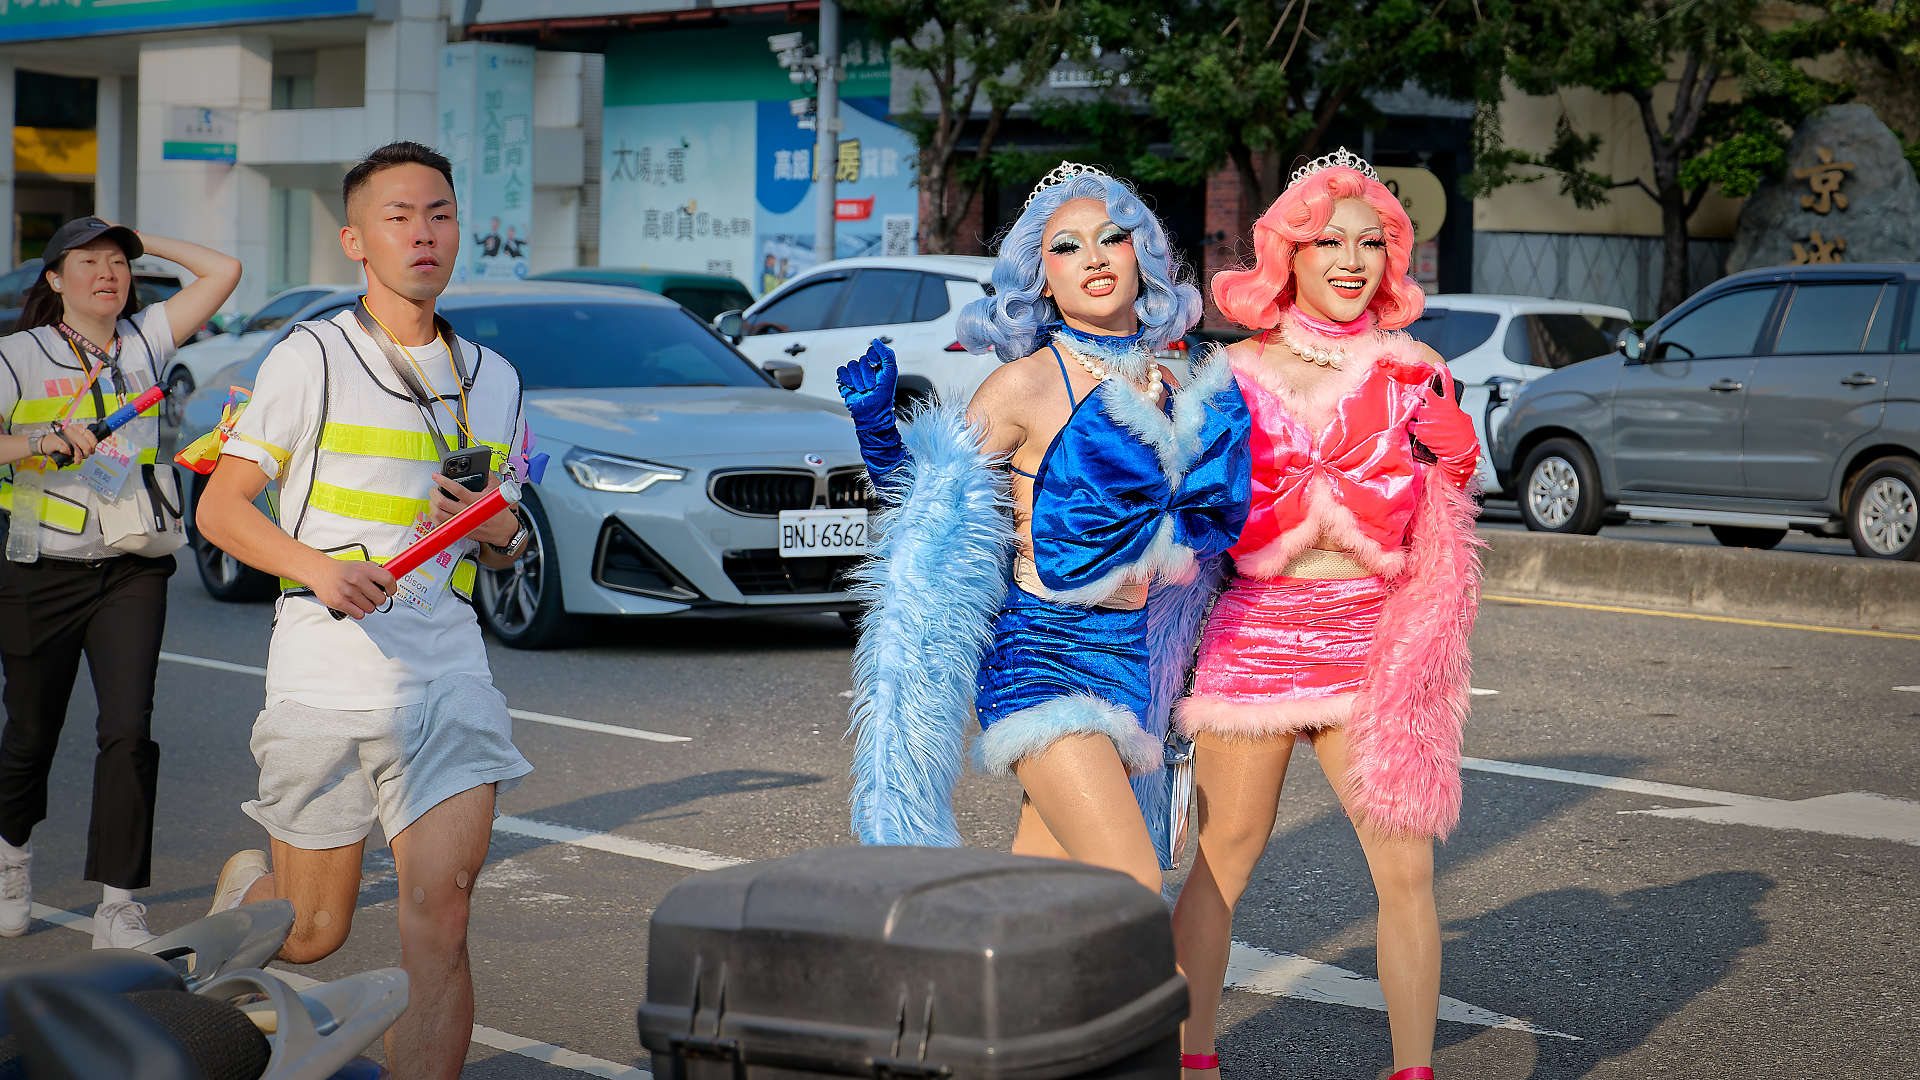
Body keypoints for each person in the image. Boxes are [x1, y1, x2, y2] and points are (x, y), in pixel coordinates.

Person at [194, 141, 534, 1080]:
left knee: (444, 920)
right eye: (398, 217)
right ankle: (249, 904)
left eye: (439, 214)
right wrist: (316, 568)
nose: (423, 234)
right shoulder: (311, 356)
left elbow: (503, 546)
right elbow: (222, 508)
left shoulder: (495, 378)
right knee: (311, 934)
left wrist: (493, 524)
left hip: (450, 673)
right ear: (356, 239)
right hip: (326, 672)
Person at [836, 162, 1250, 893]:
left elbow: (1208, 540)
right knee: (1128, 881)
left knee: (1038, 900)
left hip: (1130, 665)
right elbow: (934, 511)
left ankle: (971, 1006)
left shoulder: (1174, 387)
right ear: (1041, 282)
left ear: (1141, 258)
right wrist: (878, 432)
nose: (1093, 257)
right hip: (1040, 660)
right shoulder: (1022, 386)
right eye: (1066, 247)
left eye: (1111, 238)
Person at [1168, 150, 1482, 1080]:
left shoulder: (1419, 370)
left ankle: (1412, 1073)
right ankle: (1193, 1064)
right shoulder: (1226, 370)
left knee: (1406, 872)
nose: (1352, 259)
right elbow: (1182, 514)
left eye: (1372, 242)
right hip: (1254, 632)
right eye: (1328, 240)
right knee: (1220, 859)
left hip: (1372, 642)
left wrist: (1461, 474)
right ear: (1287, 256)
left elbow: (1442, 532)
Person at [0, 217, 240, 948]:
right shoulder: (16, 354)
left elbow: (223, 270)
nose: (108, 273)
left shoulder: (146, 340)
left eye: (118, 263)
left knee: (128, 731)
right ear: (53, 281)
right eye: (89, 262)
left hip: (133, 562)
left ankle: (119, 904)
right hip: (38, 564)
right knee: (30, 734)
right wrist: (39, 442)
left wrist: (147, 239)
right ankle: (10, 861)